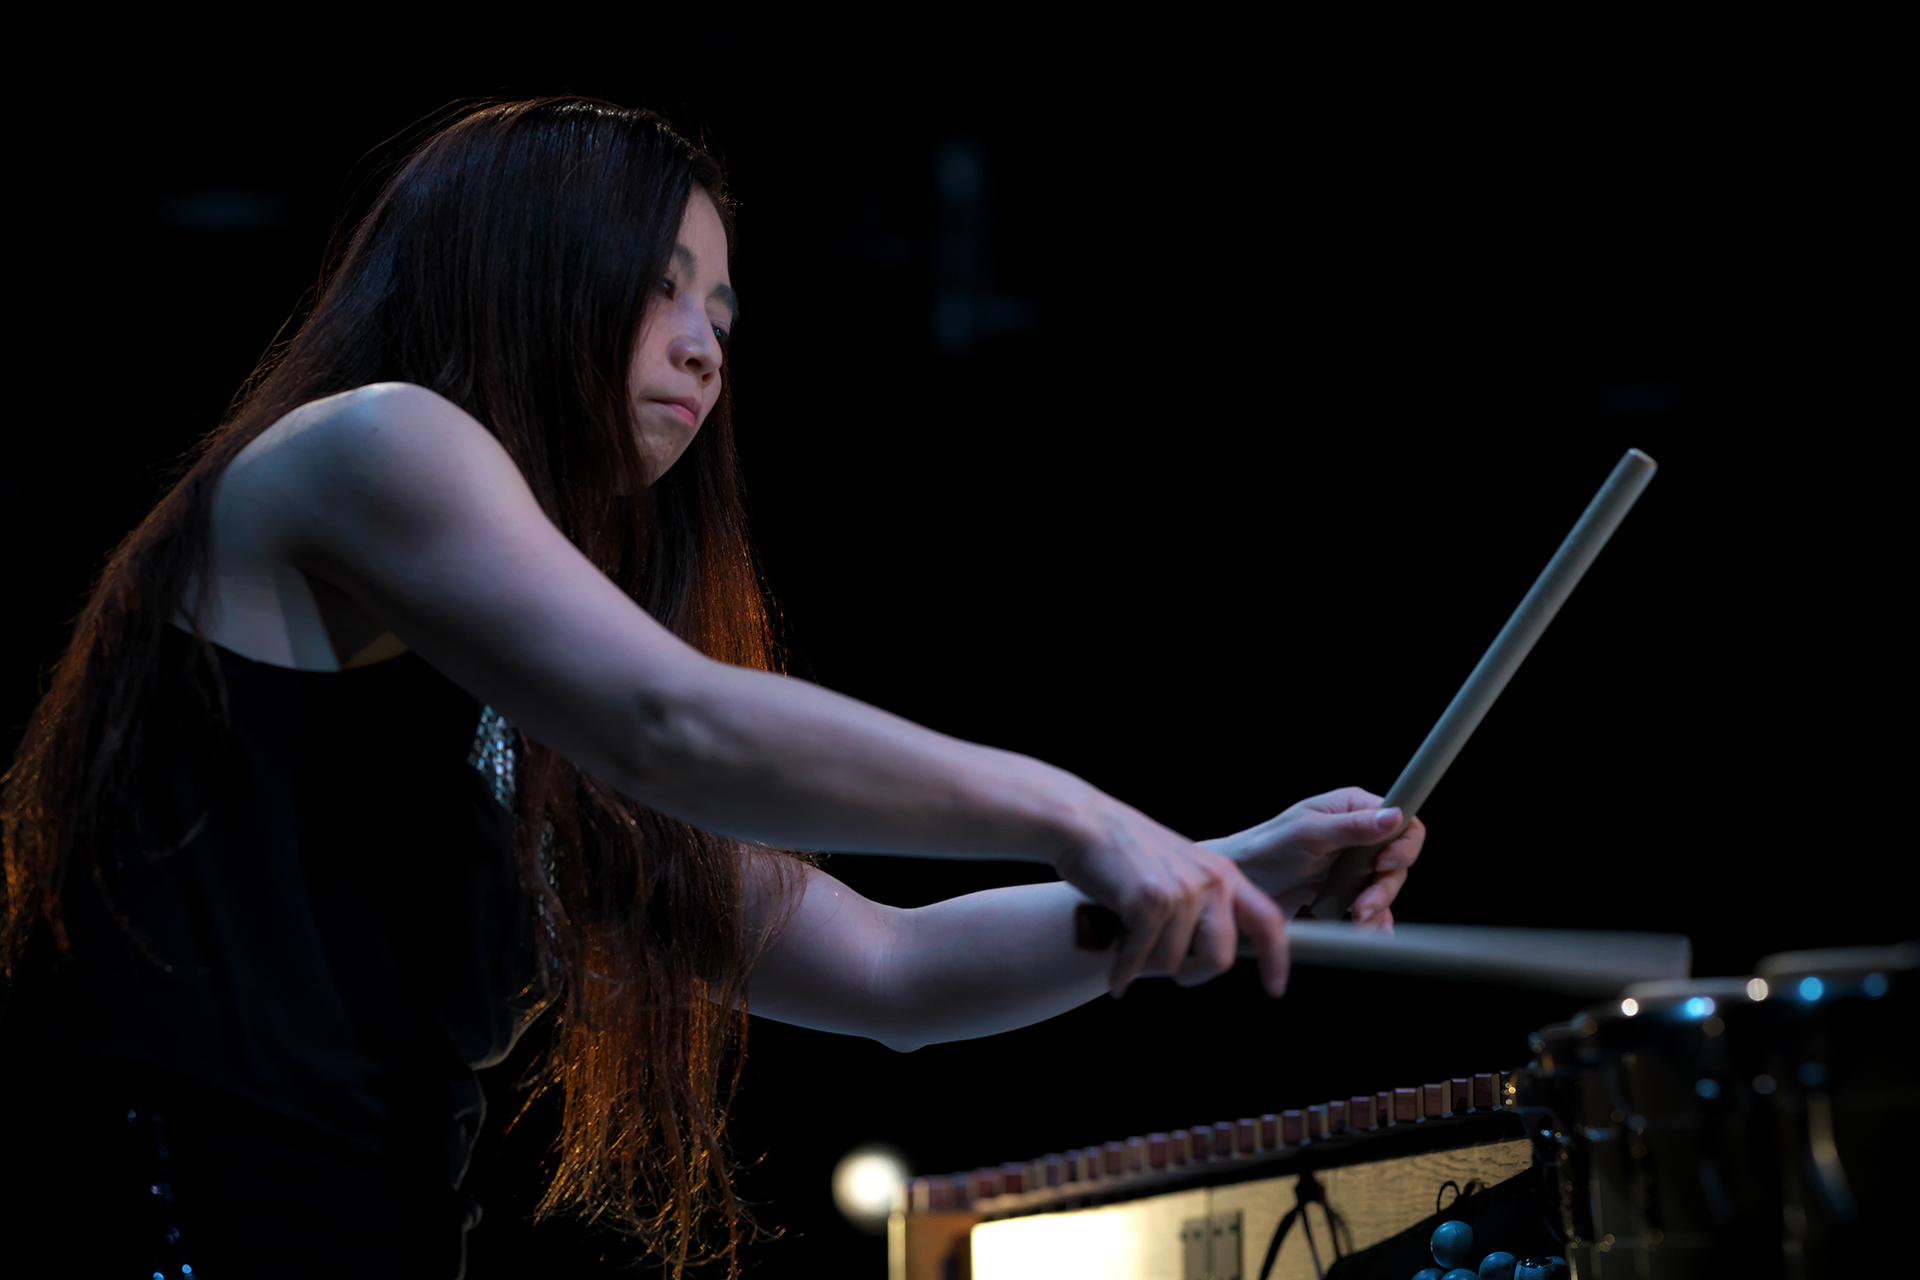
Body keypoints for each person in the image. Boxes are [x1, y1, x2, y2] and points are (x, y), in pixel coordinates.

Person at [0, 98, 1424, 1278]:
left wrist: (1228, 873)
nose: (705, 345)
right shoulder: (372, 443)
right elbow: (673, 720)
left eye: (724, 314)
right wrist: (1080, 814)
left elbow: (891, 970)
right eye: (663, 285)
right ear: (526, 267)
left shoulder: (524, 708)